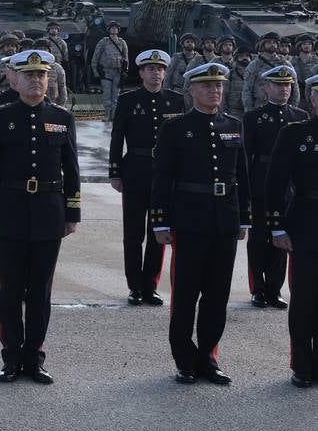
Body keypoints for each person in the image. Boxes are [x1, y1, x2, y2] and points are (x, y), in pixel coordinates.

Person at [0, 50, 80, 385]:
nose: (36, 81)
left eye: (41, 76)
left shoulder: (62, 118)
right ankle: (11, 357)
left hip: (50, 212)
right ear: (16, 79)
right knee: (9, 292)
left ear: (49, 80)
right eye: (29, 76)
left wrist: (72, 212)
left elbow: (72, 170)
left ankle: (34, 356)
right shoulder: (0, 116)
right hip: (10, 210)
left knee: (40, 292)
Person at [151, 61, 249, 385]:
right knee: (186, 293)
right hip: (190, 220)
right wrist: (160, 221)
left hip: (225, 219)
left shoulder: (233, 124)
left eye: (219, 85)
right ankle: (184, 359)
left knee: (217, 294)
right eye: (207, 85)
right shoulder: (176, 128)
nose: (214, 90)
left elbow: (242, 177)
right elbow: (162, 178)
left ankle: (208, 356)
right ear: (191, 90)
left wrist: (244, 218)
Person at [108, 49, 181, 306]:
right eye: (150, 69)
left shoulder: (176, 101)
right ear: (140, 73)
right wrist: (115, 172)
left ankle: (150, 286)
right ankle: (134, 287)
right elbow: (117, 138)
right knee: (133, 234)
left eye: (159, 69)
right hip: (135, 172)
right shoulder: (128, 101)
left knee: (158, 231)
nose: (155, 73)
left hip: (164, 174)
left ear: (165, 73)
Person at [265, 72, 318, 387]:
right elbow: (275, 183)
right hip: (306, 223)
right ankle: (302, 364)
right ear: (311, 98)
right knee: (303, 298)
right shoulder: (294, 134)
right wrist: (276, 227)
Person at [243, 65, 307, 309]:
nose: (284, 89)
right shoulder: (253, 118)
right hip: (261, 184)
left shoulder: (299, 117)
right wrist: (247, 192)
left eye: (288, 85)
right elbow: (247, 158)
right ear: (265, 88)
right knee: (259, 239)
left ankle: (274, 289)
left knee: (282, 240)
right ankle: (257, 288)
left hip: (290, 188)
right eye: (278, 85)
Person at [91, 21, 128, 122]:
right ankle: (107, 114)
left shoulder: (122, 42)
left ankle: (114, 114)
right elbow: (96, 56)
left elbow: (125, 58)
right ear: (108, 30)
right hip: (106, 71)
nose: (114, 30)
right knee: (107, 93)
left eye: (116, 28)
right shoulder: (104, 42)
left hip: (118, 71)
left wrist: (125, 71)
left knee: (116, 94)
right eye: (112, 28)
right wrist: (95, 70)